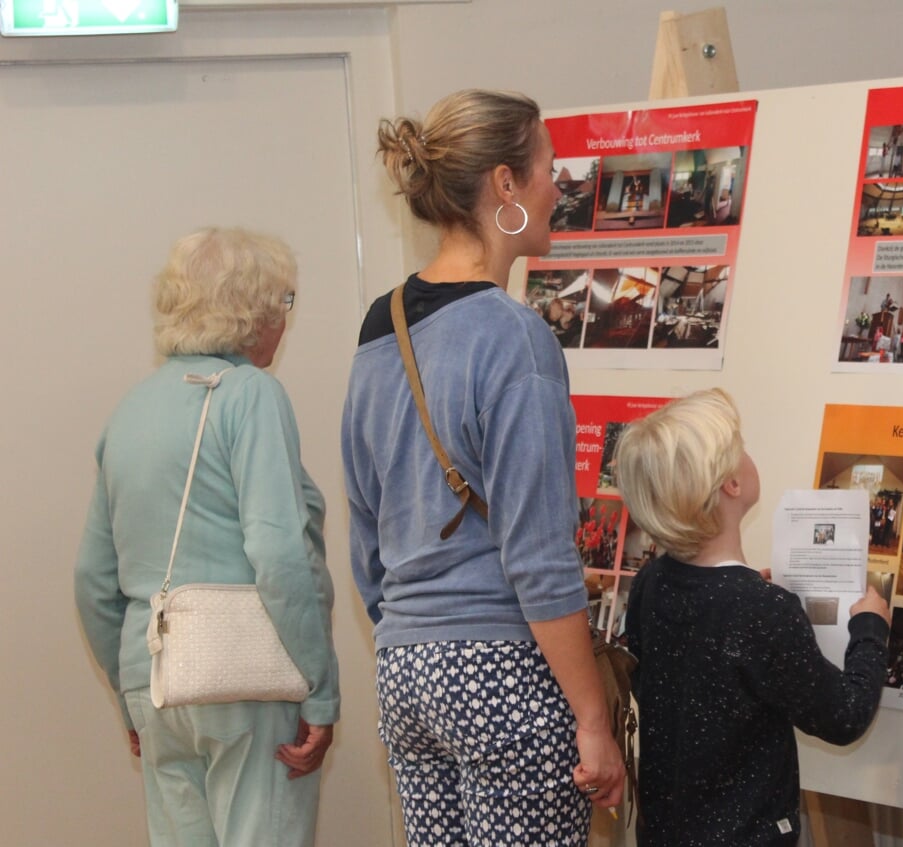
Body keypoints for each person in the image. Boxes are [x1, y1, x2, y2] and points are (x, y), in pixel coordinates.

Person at [342, 89, 623, 846]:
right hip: (502, 670)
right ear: (504, 184)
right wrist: (593, 718)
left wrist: (422, 633)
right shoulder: (515, 336)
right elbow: (537, 556)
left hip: (406, 672)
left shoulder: (382, 322)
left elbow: (365, 533)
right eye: (546, 170)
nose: (556, 188)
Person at [75, 227, 339, 846]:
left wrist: (130, 695)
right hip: (245, 678)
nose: (284, 319)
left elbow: (93, 581)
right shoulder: (251, 396)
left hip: (155, 685)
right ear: (251, 309)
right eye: (285, 302)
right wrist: (319, 690)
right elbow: (276, 552)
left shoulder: (129, 411)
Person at [612, 388, 890, 846]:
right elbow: (844, 716)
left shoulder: (651, 582)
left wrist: (756, 608)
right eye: (739, 447)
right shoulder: (759, 608)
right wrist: (870, 628)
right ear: (731, 484)